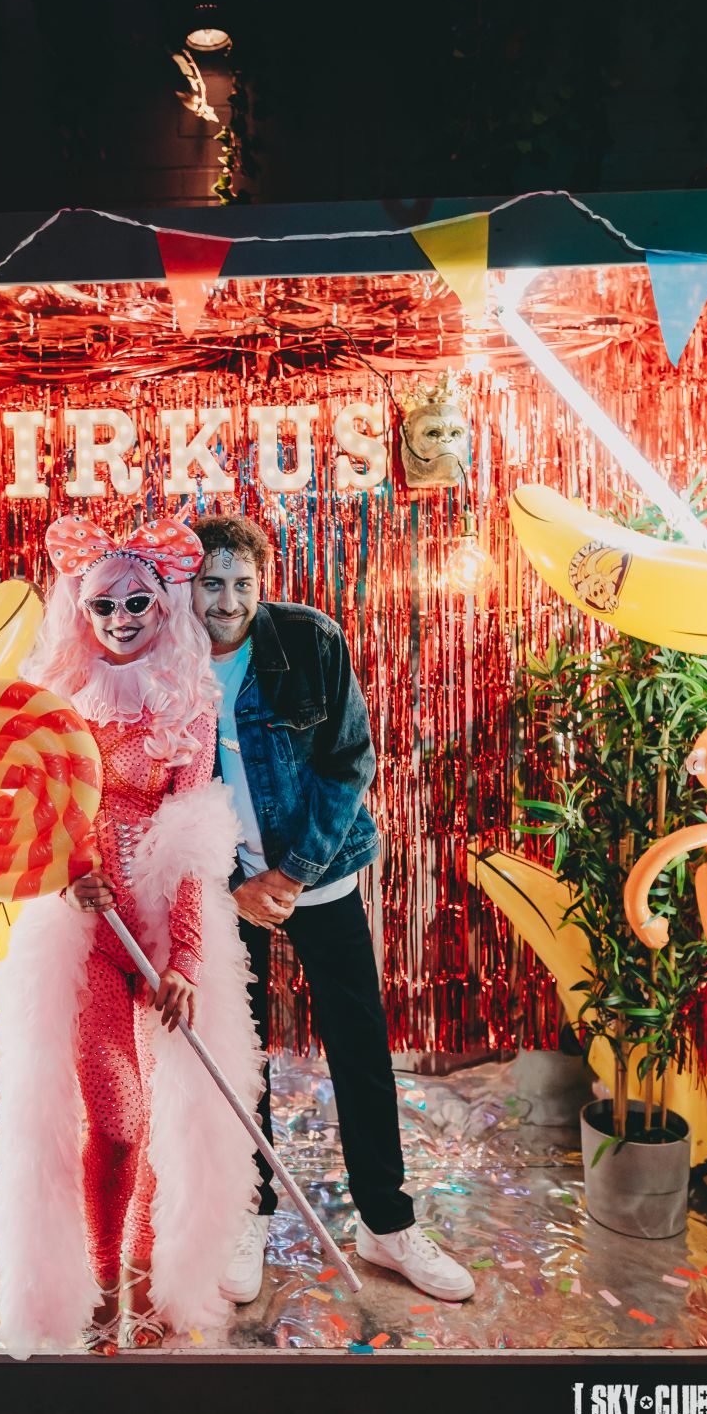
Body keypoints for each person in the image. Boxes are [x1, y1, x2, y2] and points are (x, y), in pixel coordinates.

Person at [0, 515, 263, 1360]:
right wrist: (62, 875)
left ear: (164, 604)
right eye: (101, 604)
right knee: (116, 1121)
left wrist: (185, 959)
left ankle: (144, 1283)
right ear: (79, 608)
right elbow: (26, 816)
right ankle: (101, 1287)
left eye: (137, 601)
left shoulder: (187, 705)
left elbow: (190, 843)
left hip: (163, 934)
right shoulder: (54, 702)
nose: (119, 618)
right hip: (84, 940)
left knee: (169, 1123)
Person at [189, 512, 475, 1306]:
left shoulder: (309, 640)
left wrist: (291, 873)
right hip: (225, 892)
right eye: (211, 583)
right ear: (187, 585)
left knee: (359, 1047)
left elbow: (349, 761)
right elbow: (163, 791)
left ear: (262, 583)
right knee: (240, 1055)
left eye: (242, 583)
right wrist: (234, 885)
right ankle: (249, 1213)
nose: (227, 601)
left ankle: (386, 1224)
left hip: (318, 877)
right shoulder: (163, 659)